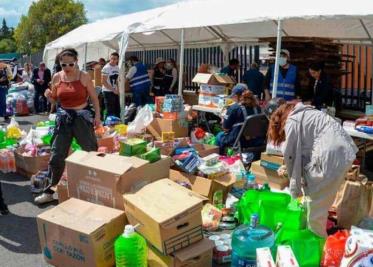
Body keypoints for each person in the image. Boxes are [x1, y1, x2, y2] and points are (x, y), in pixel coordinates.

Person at [268, 102, 358, 237]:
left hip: (330, 158)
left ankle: (317, 250)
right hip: (344, 155)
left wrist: (295, 192)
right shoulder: (307, 114)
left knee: (315, 213)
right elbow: (304, 151)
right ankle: (309, 236)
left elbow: (291, 157)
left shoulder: (292, 121)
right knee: (316, 200)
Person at [35, 48, 101, 204]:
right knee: (56, 156)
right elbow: (54, 100)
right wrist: (48, 96)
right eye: (63, 64)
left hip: (81, 119)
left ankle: (95, 187)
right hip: (64, 119)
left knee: (90, 152)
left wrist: (98, 116)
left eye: (71, 64)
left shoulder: (84, 77)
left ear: (76, 62)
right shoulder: (57, 77)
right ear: (59, 64)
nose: (67, 68)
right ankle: (50, 191)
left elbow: (94, 99)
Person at [216, 83, 263, 155]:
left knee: (219, 136)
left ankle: (222, 159)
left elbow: (225, 128)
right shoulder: (257, 107)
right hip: (256, 140)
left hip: (240, 141)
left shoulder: (234, 108)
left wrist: (223, 119)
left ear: (236, 96)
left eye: (234, 97)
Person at [101, 52, 120, 118]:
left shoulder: (117, 67)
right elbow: (103, 81)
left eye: (115, 59)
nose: (113, 60)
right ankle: (107, 125)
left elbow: (117, 80)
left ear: (117, 60)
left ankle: (116, 124)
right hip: (107, 91)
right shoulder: (106, 68)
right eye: (111, 58)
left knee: (117, 109)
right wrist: (113, 89)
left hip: (114, 90)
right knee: (110, 110)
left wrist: (117, 89)